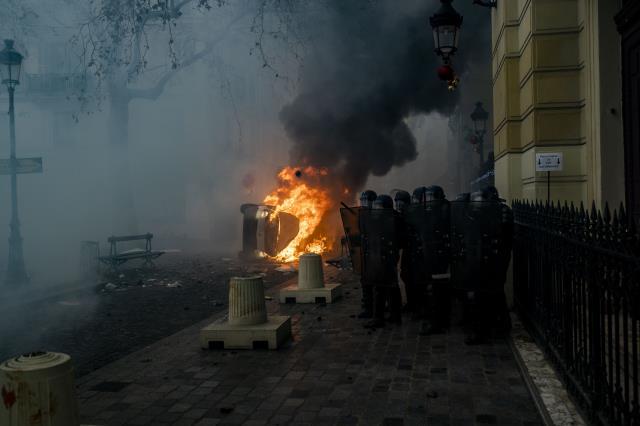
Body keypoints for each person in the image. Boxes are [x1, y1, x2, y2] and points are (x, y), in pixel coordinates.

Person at [451, 187, 512, 344]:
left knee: (492, 291)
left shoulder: (502, 212)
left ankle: (487, 329)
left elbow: (504, 236)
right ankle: (497, 325)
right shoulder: (479, 213)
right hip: (481, 258)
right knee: (488, 292)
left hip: (495, 258)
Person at [361, 194, 403, 328]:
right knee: (386, 286)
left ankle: (383, 317)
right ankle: (392, 316)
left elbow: (398, 239)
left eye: (379, 206)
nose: (376, 209)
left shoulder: (395, 218)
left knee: (384, 286)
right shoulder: (379, 219)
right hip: (379, 256)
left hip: (388, 256)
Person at [340, 190, 377, 318]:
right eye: (363, 201)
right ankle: (368, 306)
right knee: (365, 281)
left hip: (375, 255)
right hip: (364, 255)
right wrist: (349, 238)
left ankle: (377, 307)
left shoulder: (377, 216)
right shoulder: (360, 216)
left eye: (366, 201)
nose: (364, 203)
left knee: (377, 284)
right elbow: (358, 234)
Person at [421, 185, 451, 334]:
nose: (429, 201)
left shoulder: (443, 211)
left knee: (436, 290)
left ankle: (436, 323)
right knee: (439, 290)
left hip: (439, 257)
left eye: (431, 197)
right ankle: (442, 320)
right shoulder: (442, 209)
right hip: (438, 256)